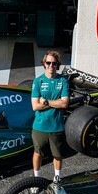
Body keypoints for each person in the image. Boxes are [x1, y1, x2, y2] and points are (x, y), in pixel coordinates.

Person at [31, 50, 70, 182]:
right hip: (39, 126)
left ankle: (57, 179)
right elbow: (35, 106)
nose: (51, 65)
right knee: (38, 153)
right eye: (48, 62)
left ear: (57, 65)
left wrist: (46, 101)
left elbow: (64, 104)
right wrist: (56, 102)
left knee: (57, 155)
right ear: (44, 63)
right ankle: (36, 180)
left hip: (56, 126)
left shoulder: (63, 81)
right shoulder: (38, 81)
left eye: (54, 63)